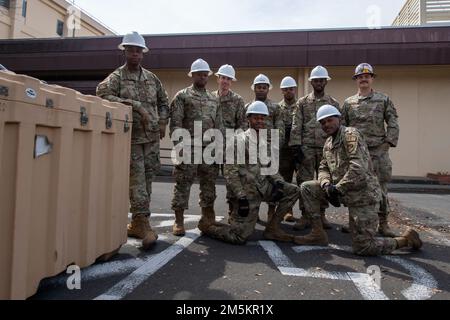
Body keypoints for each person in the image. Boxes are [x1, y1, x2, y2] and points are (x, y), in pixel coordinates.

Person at [294, 105, 422, 256]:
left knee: (364, 247)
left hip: (363, 196)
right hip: (343, 191)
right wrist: (326, 184)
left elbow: (357, 168)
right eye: (323, 122)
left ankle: (406, 239)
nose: (326, 125)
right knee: (307, 187)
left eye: (330, 120)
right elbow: (323, 168)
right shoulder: (328, 143)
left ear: (339, 119)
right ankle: (317, 233)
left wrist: (337, 189)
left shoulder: (350, 135)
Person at [96, 32, 169, 249]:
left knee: (147, 179)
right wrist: (134, 105)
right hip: (132, 138)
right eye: (131, 50)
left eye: (138, 50)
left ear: (143, 53)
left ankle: (138, 221)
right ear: (125, 52)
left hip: (152, 138)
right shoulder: (117, 77)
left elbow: (163, 101)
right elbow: (102, 95)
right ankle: (143, 222)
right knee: (137, 180)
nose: (134, 53)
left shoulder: (151, 78)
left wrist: (163, 122)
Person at [199, 101, 300, 245]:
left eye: (262, 118)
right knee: (239, 237)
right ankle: (208, 227)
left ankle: (273, 228)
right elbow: (230, 172)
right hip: (247, 194)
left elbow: (270, 167)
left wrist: (279, 182)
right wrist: (240, 196)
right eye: (256, 118)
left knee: (293, 190)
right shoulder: (237, 140)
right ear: (248, 119)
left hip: (263, 187)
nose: (259, 121)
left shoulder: (264, 141)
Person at [341, 63, 400, 237]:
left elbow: (393, 122)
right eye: (360, 76)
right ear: (356, 80)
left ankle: (383, 224)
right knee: (355, 186)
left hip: (378, 151)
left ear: (372, 78)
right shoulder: (348, 103)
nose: (364, 79)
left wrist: (388, 142)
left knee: (380, 187)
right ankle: (354, 222)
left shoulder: (383, 99)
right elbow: (343, 127)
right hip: (356, 153)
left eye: (367, 76)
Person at [170, 58, 223, 236]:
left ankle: (207, 219)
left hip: (209, 148)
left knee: (209, 186)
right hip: (188, 147)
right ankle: (178, 221)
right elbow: (175, 124)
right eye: (199, 74)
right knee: (183, 185)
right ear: (192, 75)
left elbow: (219, 125)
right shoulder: (182, 96)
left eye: (205, 74)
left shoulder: (214, 99)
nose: (202, 77)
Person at [289, 66, 339, 231]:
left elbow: (338, 127)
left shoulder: (333, 103)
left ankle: (321, 214)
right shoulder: (302, 103)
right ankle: (305, 215)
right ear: (311, 82)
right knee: (304, 182)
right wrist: (296, 147)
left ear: (325, 81)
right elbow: (296, 125)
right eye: (315, 80)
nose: (318, 83)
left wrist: (337, 149)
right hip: (307, 149)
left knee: (324, 182)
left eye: (321, 80)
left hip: (327, 149)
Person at [245, 74, 285, 222]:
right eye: (258, 87)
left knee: (271, 181)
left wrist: (275, 149)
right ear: (254, 88)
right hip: (252, 149)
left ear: (268, 89)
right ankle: (252, 212)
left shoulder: (275, 108)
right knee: (252, 180)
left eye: (264, 87)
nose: (261, 89)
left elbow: (280, 130)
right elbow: (244, 129)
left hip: (269, 149)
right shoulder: (247, 107)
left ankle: (271, 212)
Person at [212, 64, 247, 220]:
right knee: (208, 181)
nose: (225, 81)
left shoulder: (238, 100)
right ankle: (208, 214)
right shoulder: (209, 98)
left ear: (231, 81)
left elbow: (243, 125)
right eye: (223, 78)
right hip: (211, 147)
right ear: (218, 79)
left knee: (232, 181)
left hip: (230, 149)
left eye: (228, 79)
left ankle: (233, 212)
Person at [278, 76, 299, 222]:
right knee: (285, 181)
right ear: (282, 91)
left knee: (303, 181)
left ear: (295, 89)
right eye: (285, 89)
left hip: (299, 149)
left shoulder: (302, 105)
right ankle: (287, 210)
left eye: (291, 89)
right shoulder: (278, 108)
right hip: (284, 151)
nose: (288, 92)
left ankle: (307, 213)